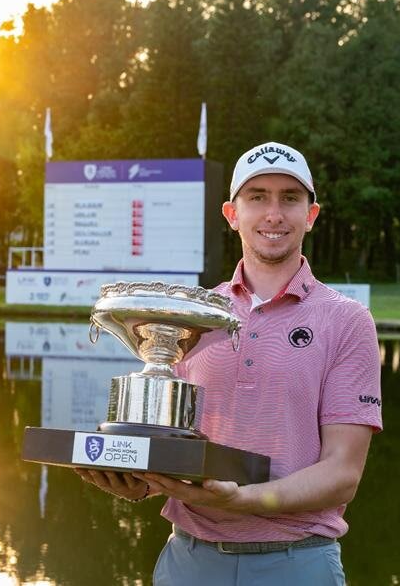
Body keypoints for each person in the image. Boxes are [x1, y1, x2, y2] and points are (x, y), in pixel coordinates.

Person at [76, 141, 382, 585]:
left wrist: (243, 500)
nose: (273, 214)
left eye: (289, 198)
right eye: (257, 197)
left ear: (311, 215)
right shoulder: (190, 315)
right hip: (190, 561)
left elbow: (342, 474)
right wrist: (135, 479)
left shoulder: (347, 320)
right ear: (232, 214)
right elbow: (171, 447)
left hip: (297, 563)